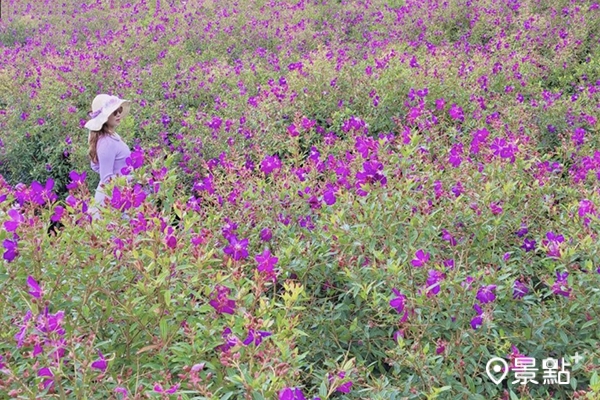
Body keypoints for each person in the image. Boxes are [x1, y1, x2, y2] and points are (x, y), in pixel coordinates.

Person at [84, 94, 133, 220]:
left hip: (119, 196)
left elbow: (96, 166)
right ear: (104, 117)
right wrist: (133, 178)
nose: (118, 114)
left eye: (119, 110)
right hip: (111, 201)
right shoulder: (107, 142)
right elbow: (106, 179)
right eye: (113, 111)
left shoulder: (111, 137)